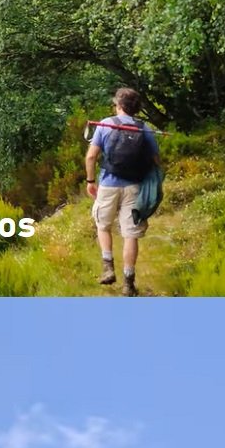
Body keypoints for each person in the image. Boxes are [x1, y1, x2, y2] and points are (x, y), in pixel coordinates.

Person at [84, 87, 160, 296]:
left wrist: (91, 180)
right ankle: (129, 282)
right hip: (134, 186)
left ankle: (108, 267)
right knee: (130, 234)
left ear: (118, 105)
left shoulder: (105, 124)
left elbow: (91, 157)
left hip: (108, 184)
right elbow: (155, 160)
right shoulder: (144, 128)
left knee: (103, 225)